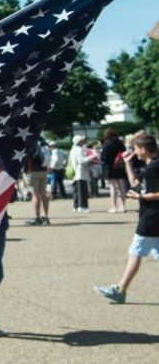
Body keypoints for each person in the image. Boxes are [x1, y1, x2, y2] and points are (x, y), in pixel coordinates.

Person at [95, 134, 159, 304]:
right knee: (137, 251)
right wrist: (128, 164)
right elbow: (136, 184)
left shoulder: (154, 168)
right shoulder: (151, 165)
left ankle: (120, 290)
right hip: (150, 215)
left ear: (144, 149)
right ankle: (120, 290)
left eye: (135, 148)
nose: (134, 151)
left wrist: (142, 196)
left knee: (135, 251)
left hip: (152, 217)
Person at [100, 128, 128, 213]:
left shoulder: (106, 143)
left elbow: (104, 158)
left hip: (110, 167)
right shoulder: (119, 142)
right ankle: (123, 206)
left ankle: (114, 207)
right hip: (120, 166)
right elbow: (124, 152)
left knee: (113, 187)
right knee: (122, 186)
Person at [24, 138, 51, 225]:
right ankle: (45, 217)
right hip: (43, 170)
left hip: (32, 171)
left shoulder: (30, 140)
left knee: (35, 194)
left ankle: (37, 217)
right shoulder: (43, 141)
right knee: (43, 193)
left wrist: (24, 170)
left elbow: (26, 157)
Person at [68, 135, 95, 213]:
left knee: (76, 190)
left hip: (75, 172)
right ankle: (82, 206)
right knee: (82, 190)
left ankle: (76, 206)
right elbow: (82, 161)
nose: (84, 142)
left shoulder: (73, 149)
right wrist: (92, 157)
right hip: (80, 172)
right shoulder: (79, 149)